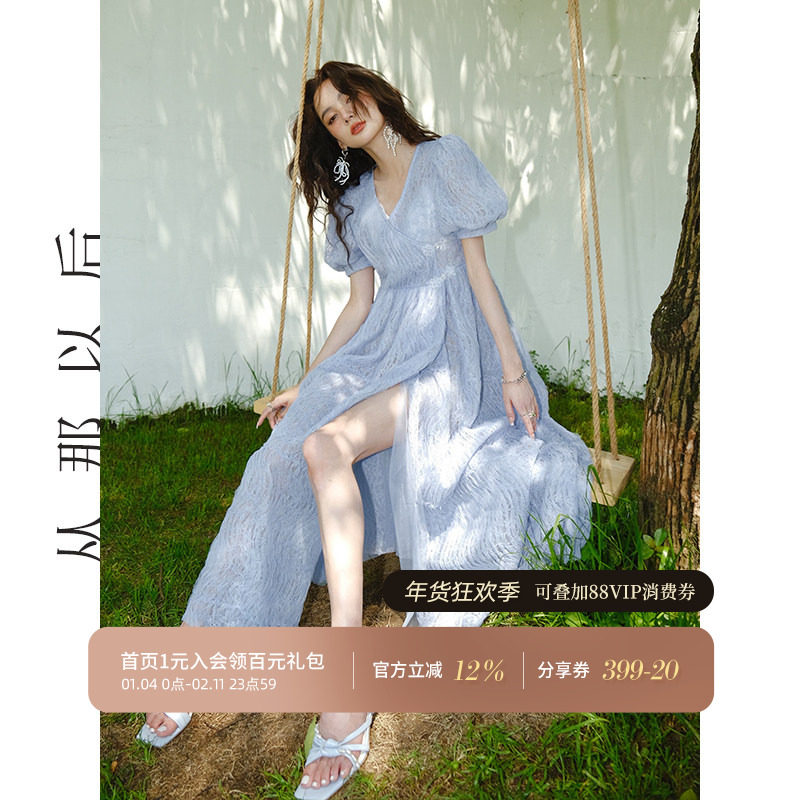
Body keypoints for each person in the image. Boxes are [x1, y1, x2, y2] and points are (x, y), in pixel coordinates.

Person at [137, 61, 592, 799]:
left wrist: (512, 371)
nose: (345, 114)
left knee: (327, 445)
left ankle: (345, 677)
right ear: (333, 136)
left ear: (376, 95)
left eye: (349, 98)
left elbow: (478, 275)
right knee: (283, 456)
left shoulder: (444, 161)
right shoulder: (352, 201)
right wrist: (308, 382)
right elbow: (358, 307)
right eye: (329, 115)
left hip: (456, 353)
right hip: (385, 348)